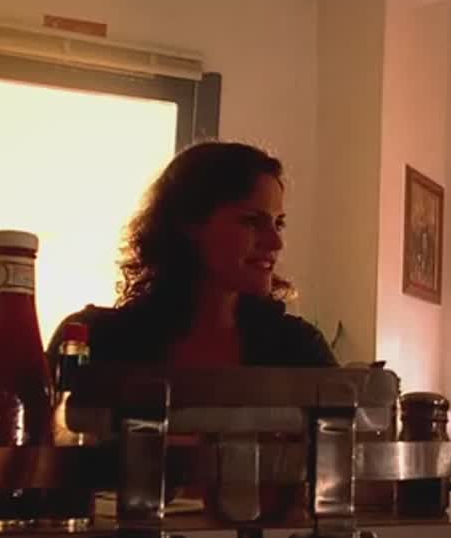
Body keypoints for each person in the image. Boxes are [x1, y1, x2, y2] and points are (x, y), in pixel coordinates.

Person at [47, 141, 336, 368]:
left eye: (278, 223)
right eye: (251, 221)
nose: (276, 242)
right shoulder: (92, 339)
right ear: (189, 222)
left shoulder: (298, 349)